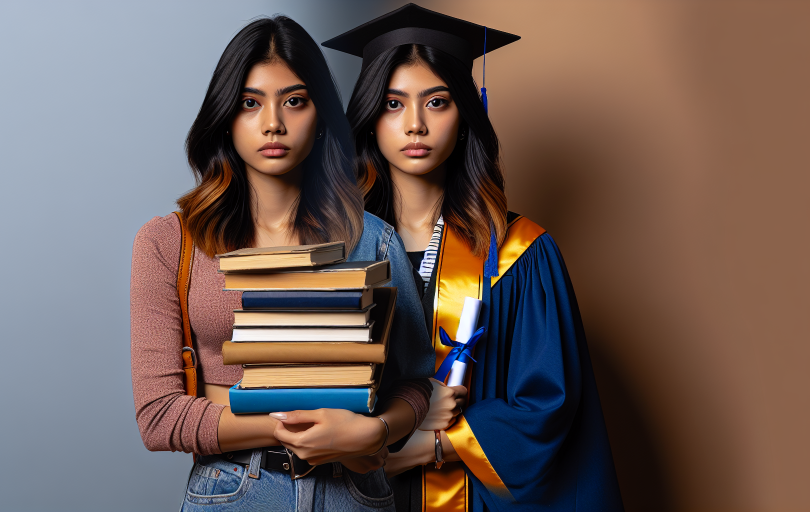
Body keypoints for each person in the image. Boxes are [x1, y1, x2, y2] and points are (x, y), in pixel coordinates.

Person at [323, 4, 624, 511]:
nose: (415, 125)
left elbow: (546, 405)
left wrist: (433, 445)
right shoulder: (337, 247)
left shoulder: (519, 253)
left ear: (465, 114)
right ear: (370, 116)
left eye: (436, 102)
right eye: (394, 104)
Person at [130, 15, 435, 511]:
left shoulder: (373, 240)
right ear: (226, 115)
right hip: (234, 491)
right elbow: (159, 417)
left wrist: (374, 432)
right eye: (251, 103)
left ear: (319, 115)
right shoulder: (169, 243)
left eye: (294, 101)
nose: (273, 122)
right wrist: (298, 427)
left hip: (354, 494)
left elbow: (415, 383)